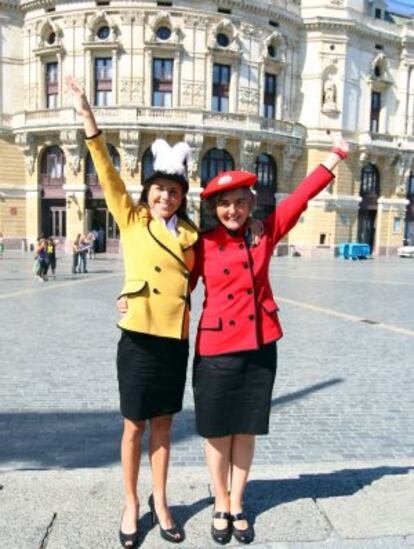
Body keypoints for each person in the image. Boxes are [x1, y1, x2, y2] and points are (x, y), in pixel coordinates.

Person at [190, 140, 349, 544]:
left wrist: (333, 158)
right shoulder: (202, 243)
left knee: (245, 430)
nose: (233, 211)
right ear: (214, 207)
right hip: (215, 350)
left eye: (240, 203)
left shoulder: (264, 233)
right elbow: (176, 287)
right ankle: (220, 503)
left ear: (250, 204)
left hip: (260, 347)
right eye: (224, 204)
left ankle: (239, 503)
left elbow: (300, 196)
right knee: (216, 431)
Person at [66, 74, 199, 547]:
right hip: (138, 339)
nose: (166, 196)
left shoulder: (191, 236)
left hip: (174, 341)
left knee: (165, 425)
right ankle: (129, 501)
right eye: (160, 189)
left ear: (183, 196)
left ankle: (160, 501)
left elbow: (194, 281)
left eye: (175, 191)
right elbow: (104, 167)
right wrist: (87, 114)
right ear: (149, 191)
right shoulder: (131, 215)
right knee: (132, 426)